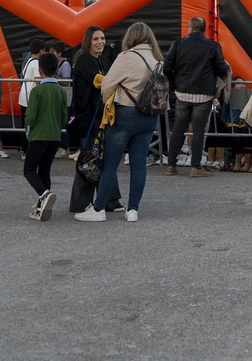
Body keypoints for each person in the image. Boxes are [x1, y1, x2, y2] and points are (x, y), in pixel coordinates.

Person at [75, 22, 163, 224]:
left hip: (125, 113)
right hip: (149, 116)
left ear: (131, 37)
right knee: (139, 164)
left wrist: (110, 99)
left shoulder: (127, 57)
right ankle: (133, 210)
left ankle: (98, 209)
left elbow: (106, 85)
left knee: (111, 163)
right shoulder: (157, 58)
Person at [162, 16, 229, 176]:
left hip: (181, 92)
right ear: (204, 29)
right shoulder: (213, 46)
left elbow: (167, 66)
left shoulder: (177, 44)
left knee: (179, 128)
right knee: (198, 130)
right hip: (203, 95)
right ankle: (195, 167)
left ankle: (171, 165)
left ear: (190, 28)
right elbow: (222, 69)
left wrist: (173, 84)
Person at [21, 52, 66, 221]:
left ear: (40, 70)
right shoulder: (60, 91)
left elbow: (30, 116)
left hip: (38, 135)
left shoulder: (37, 90)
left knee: (29, 170)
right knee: (45, 169)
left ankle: (44, 194)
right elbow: (64, 117)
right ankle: (43, 205)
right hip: (54, 136)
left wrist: (27, 126)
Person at [67, 26, 109, 158]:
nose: (100, 42)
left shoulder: (97, 60)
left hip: (96, 115)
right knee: (90, 160)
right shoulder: (85, 59)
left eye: (102, 38)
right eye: (95, 39)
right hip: (89, 116)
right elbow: (98, 80)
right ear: (88, 41)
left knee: (92, 160)